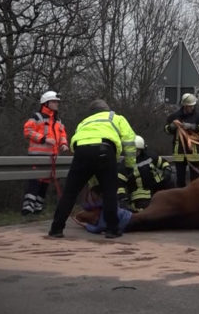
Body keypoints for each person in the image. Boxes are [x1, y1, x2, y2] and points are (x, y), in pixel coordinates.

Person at [48, 99, 136, 239]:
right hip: (105, 150)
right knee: (109, 192)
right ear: (107, 109)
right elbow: (130, 141)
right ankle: (112, 230)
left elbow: (74, 144)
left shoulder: (84, 121)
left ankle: (56, 229)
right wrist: (130, 165)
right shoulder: (116, 118)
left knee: (70, 193)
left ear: (92, 112)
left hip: (81, 152)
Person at [21, 90, 69, 215]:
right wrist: (43, 139)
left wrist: (63, 144)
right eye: (54, 101)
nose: (57, 104)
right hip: (37, 155)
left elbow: (62, 133)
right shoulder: (37, 117)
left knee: (45, 182)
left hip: (52, 156)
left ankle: (38, 208)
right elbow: (28, 130)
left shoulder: (58, 120)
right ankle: (27, 207)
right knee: (35, 180)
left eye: (57, 102)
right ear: (46, 103)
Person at [117, 135, 174, 211]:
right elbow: (119, 184)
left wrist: (167, 170)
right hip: (139, 195)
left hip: (157, 187)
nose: (134, 152)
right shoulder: (124, 165)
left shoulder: (150, 156)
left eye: (137, 150)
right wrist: (123, 199)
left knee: (171, 184)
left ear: (142, 149)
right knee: (149, 211)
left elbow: (163, 163)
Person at [164, 93, 199, 188]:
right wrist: (172, 126)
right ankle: (181, 199)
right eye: (190, 106)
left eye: (193, 106)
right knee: (180, 180)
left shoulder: (198, 116)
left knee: (196, 180)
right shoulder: (174, 116)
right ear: (185, 106)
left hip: (194, 152)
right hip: (179, 152)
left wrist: (192, 126)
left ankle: (195, 198)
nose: (192, 108)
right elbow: (166, 130)